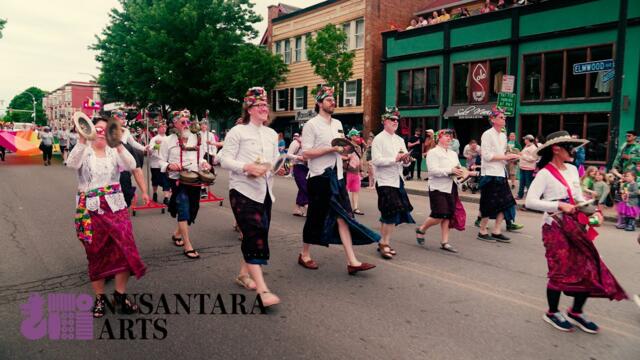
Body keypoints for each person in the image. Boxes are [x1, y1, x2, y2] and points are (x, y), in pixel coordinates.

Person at [525, 130, 627, 333]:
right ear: (556, 149)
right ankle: (552, 312)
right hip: (555, 227)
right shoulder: (545, 173)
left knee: (588, 266)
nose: (574, 151)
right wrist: (559, 206)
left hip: (576, 224)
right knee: (559, 270)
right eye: (570, 147)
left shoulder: (572, 169)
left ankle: (576, 312)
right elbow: (530, 201)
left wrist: (594, 212)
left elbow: (578, 197)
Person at [66, 116, 146, 318]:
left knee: (125, 249)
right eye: (97, 128)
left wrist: (118, 143)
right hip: (89, 210)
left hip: (116, 206)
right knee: (96, 253)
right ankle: (100, 297)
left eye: (105, 129)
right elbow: (71, 164)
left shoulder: (114, 151)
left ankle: (120, 296)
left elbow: (132, 164)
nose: (101, 132)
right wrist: (83, 139)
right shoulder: (84, 151)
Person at [298, 86, 379, 275]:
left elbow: (341, 148)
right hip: (319, 178)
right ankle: (304, 254)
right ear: (319, 103)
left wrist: (346, 156)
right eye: (329, 100)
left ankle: (352, 261)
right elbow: (306, 153)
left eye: (334, 100)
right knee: (315, 218)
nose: (333, 102)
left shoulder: (338, 124)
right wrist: (331, 150)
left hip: (338, 177)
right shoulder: (311, 125)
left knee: (344, 217)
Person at [218, 87, 281, 307]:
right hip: (242, 190)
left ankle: (243, 275)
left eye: (266, 105)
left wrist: (278, 167)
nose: (265, 108)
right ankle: (263, 290)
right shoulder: (238, 132)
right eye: (260, 105)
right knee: (254, 235)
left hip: (265, 192)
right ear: (249, 108)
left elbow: (273, 162)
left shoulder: (272, 134)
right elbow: (223, 159)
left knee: (258, 233)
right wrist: (246, 167)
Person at [159, 109, 212, 259]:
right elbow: (161, 161)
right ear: (174, 123)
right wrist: (169, 166)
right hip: (178, 180)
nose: (186, 124)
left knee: (193, 211)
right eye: (183, 122)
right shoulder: (167, 141)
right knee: (183, 209)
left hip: (195, 179)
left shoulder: (196, 138)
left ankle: (177, 234)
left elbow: (200, 158)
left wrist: (204, 163)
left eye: (188, 122)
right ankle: (187, 245)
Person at [416, 129, 472, 253]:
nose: (449, 138)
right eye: (446, 136)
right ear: (438, 138)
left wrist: (464, 175)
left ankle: (445, 242)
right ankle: (422, 229)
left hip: (451, 187)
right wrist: (450, 170)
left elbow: (458, 169)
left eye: (450, 136)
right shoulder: (433, 152)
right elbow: (432, 171)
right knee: (439, 214)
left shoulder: (453, 154)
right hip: (437, 187)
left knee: (448, 215)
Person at [371, 107, 415, 259]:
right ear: (384, 121)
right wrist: (394, 159)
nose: (396, 122)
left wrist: (406, 160)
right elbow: (376, 161)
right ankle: (385, 244)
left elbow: (404, 162)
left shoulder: (400, 140)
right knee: (391, 213)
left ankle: (383, 242)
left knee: (388, 213)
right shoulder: (378, 139)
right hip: (384, 181)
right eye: (392, 119)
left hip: (397, 180)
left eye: (397, 119)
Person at [477, 107, 520, 242]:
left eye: (504, 117)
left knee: (505, 203)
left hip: (501, 173)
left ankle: (496, 230)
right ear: (493, 119)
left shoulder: (503, 135)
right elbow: (487, 156)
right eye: (501, 117)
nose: (504, 119)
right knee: (488, 203)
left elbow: (502, 156)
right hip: (489, 173)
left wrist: (511, 157)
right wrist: (506, 157)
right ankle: (482, 230)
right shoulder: (487, 134)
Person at [148, 122, 171, 205]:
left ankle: (166, 198)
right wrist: (156, 145)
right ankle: (154, 193)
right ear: (158, 129)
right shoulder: (154, 139)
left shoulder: (169, 138)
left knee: (166, 180)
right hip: (155, 163)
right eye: (162, 127)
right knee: (155, 180)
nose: (164, 128)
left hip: (166, 163)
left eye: (165, 127)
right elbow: (150, 151)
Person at [287, 132, 309, 217]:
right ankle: (307, 206)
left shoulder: (310, 143)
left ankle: (297, 209)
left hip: (308, 168)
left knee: (303, 188)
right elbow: (288, 155)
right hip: (298, 167)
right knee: (305, 187)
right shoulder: (296, 142)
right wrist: (298, 157)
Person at [346, 129, 364, 215]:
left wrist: (361, 170)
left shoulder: (359, 147)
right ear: (351, 136)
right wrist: (347, 158)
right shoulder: (347, 146)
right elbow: (342, 157)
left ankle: (355, 208)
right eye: (356, 135)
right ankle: (344, 207)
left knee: (356, 190)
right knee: (345, 190)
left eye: (358, 135)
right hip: (348, 171)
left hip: (356, 172)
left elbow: (360, 159)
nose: (358, 137)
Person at [517, 134, 538, 200]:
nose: (524, 140)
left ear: (528, 140)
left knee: (528, 183)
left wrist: (522, 156)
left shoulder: (533, 148)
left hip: (529, 168)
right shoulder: (526, 146)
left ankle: (531, 197)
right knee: (522, 182)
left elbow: (533, 158)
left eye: (525, 139)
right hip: (522, 167)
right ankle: (520, 195)